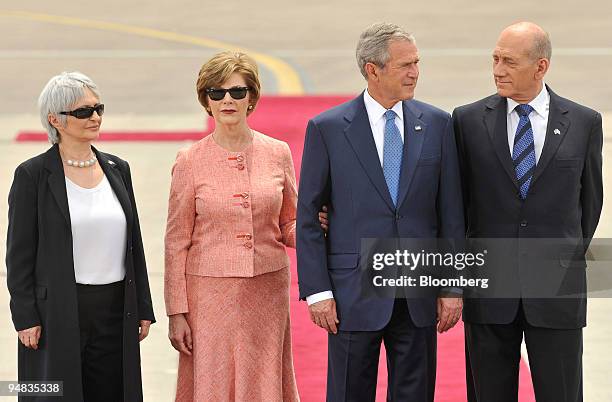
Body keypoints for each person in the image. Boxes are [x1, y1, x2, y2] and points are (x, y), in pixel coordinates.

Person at [296, 23, 465, 402]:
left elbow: (451, 212)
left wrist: (452, 285)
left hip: (417, 294)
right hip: (352, 293)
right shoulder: (327, 129)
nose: (415, 73)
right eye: (405, 65)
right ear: (372, 69)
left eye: (417, 63)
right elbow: (307, 217)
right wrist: (317, 291)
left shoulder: (437, 124)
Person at [453, 22, 603, 402]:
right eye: (495, 59)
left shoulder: (584, 123)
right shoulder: (467, 121)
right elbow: (457, 203)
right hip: (489, 289)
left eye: (509, 62)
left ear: (541, 67)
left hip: (556, 291)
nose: (498, 70)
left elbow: (590, 206)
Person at [6, 71, 156, 402]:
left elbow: (134, 246)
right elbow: (19, 255)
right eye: (83, 112)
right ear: (54, 120)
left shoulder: (118, 168)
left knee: (114, 391)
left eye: (98, 108)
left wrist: (143, 304)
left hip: (115, 309)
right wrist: (25, 315)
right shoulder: (32, 176)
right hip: (57, 310)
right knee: (56, 393)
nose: (95, 117)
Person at [164, 51, 304, 402]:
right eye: (217, 92)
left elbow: (289, 221)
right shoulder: (189, 160)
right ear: (206, 100)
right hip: (207, 296)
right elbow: (176, 241)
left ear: (252, 98)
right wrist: (176, 312)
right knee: (214, 383)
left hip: (267, 292)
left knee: (264, 381)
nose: (227, 99)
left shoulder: (278, 152)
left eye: (237, 92)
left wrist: (317, 232)